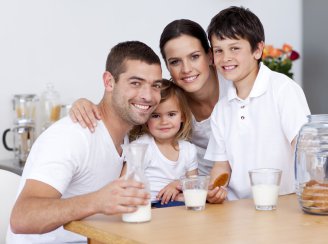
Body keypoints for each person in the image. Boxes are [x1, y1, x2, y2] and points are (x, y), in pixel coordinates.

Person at [7, 41, 163, 243]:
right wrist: (97, 201)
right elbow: (22, 217)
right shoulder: (72, 136)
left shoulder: (127, 135)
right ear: (109, 82)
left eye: (156, 86)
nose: (148, 96)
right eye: (135, 83)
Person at [69, 19, 230, 203]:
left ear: (210, 56)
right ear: (167, 67)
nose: (186, 69)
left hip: (221, 190)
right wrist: (84, 103)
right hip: (195, 195)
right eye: (175, 62)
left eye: (194, 56)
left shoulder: (234, 88)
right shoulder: (168, 99)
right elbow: (124, 106)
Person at [203, 6, 311, 201]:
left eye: (235, 48)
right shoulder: (221, 108)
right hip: (238, 210)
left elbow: (306, 149)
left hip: (282, 203)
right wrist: (213, 189)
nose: (225, 58)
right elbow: (222, 165)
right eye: (218, 50)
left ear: (258, 50)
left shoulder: (282, 89)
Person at [126, 80, 198, 206]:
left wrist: (177, 185)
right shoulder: (141, 148)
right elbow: (125, 183)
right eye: (155, 116)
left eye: (171, 114)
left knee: (199, 200)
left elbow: (195, 184)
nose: (164, 121)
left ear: (183, 117)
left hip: (178, 203)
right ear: (145, 118)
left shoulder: (188, 149)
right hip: (151, 205)